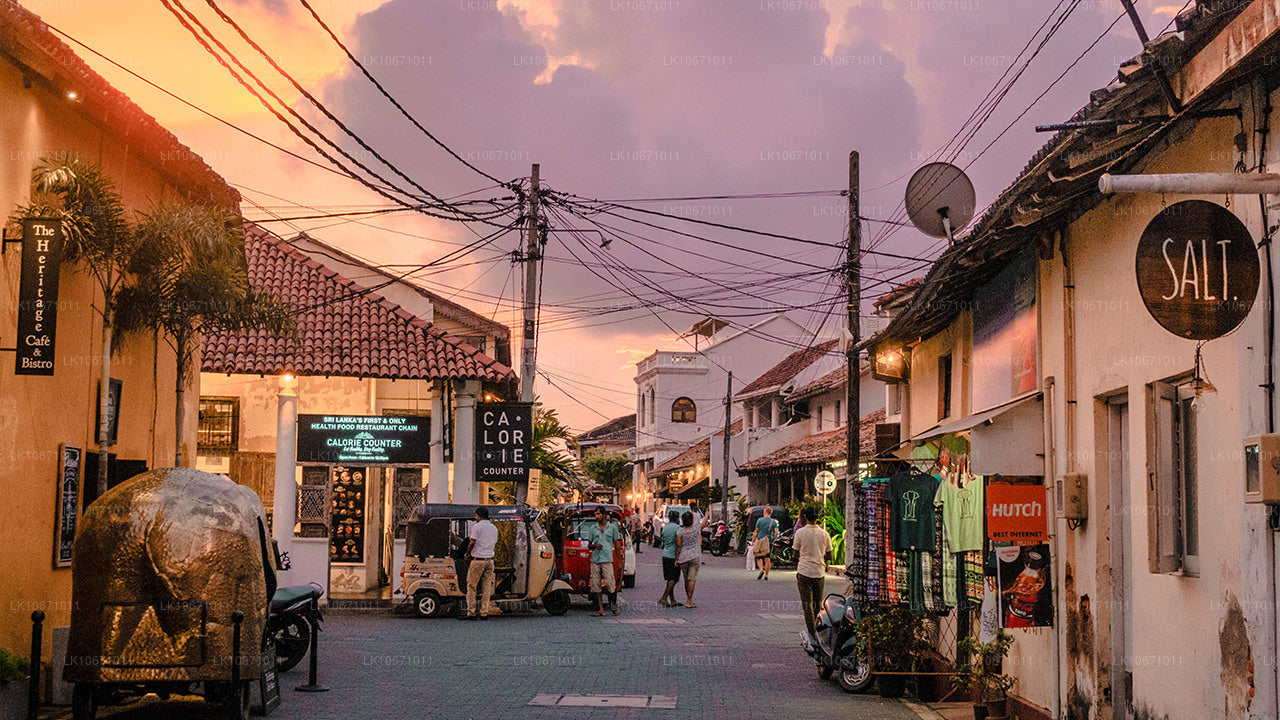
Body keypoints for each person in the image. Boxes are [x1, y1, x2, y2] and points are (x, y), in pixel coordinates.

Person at [792, 506, 832, 638]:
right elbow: (829, 556)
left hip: (804, 571)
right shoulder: (824, 534)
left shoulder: (800, 533)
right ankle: (817, 628)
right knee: (817, 603)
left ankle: (812, 632)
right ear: (817, 517)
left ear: (805, 516)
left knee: (807, 605)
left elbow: (795, 553)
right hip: (819, 572)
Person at [584, 507, 622, 616]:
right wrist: (595, 545)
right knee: (596, 585)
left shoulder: (612, 528)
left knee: (610, 583)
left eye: (598, 514)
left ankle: (613, 605)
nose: (596, 516)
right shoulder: (593, 528)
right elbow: (589, 545)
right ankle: (600, 608)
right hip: (595, 560)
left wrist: (619, 561)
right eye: (595, 514)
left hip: (607, 559)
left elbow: (617, 545)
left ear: (604, 515)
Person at [462, 506, 497, 621]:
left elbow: (472, 542)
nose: (475, 517)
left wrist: (467, 554)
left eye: (476, 515)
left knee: (472, 586)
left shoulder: (477, 527)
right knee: (486, 587)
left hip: (478, 560)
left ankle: (471, 612)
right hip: (490, 560)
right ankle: (484, 612)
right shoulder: (494, 528)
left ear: (479, 516)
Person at [675, 511, 701, 608]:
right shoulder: (696, 529)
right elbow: (704, 523)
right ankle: (689, 600)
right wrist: (707, 514)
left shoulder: (680, 532)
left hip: (683, 557)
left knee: (686, 579)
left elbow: (678, 546)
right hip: (694, 556)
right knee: (692, 578)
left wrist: (676, 559)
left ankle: (688, 599)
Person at [657, 510, 682, 608]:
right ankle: (663, 597)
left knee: (669, 578)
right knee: (674, 578)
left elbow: (662, 540)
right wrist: (677, 558)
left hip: (665, 554)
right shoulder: (678, 528)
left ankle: (672, 600)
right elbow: (678, 544)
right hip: (673, 555)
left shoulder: (665, 528)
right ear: (677, 518)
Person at [752, 506, 779, 580]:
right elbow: (776, 532)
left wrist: (753, 540)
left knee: (758, 556)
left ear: (765, 512)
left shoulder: (760, 520)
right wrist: (774, 538)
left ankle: (761, 570)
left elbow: (756, 531)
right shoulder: (773, 521)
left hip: (760, 539)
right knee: (767, 558)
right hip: (769, 541)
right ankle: (766, 575)